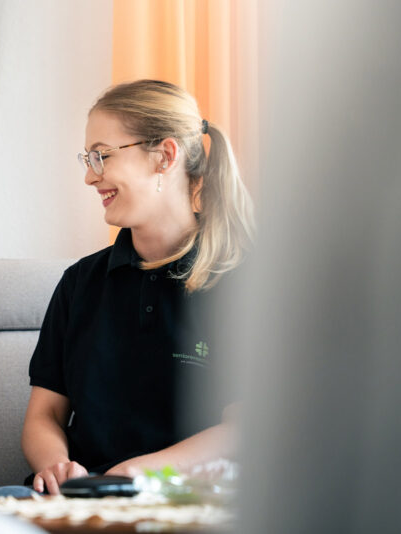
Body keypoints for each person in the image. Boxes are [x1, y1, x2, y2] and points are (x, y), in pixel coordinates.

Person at [21, 80, 254, 495]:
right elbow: (45, 416)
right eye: (88, 159)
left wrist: (135, 474)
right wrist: (58, 467)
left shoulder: (241, 282)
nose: (90, 177)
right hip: (83, 496)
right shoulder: (79, 283)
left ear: (164, 156)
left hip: (190, 496)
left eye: (102, 156)